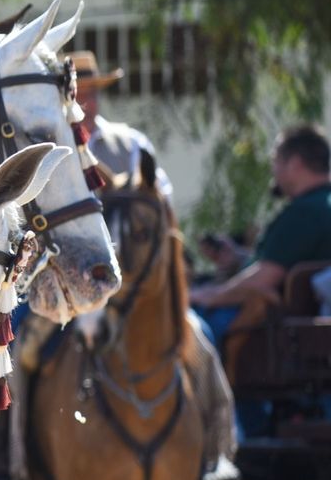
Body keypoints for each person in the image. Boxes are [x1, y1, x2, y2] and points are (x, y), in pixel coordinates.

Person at [190, 124, 331, 317]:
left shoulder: (304, 213)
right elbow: (283, 265)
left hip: (277, 330)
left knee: (190, 324)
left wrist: (208, 295)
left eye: (276, 161)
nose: (273, 169)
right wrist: (238, 259)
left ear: (295, 164)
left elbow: (263, 281)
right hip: (303, 326)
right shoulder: (319, 206)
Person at [69, 50, 174, 201]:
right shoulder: (52, 149)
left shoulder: (132, 143)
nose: (85, 104)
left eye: (91, 94)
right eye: (78, 96)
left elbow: (162, 197)